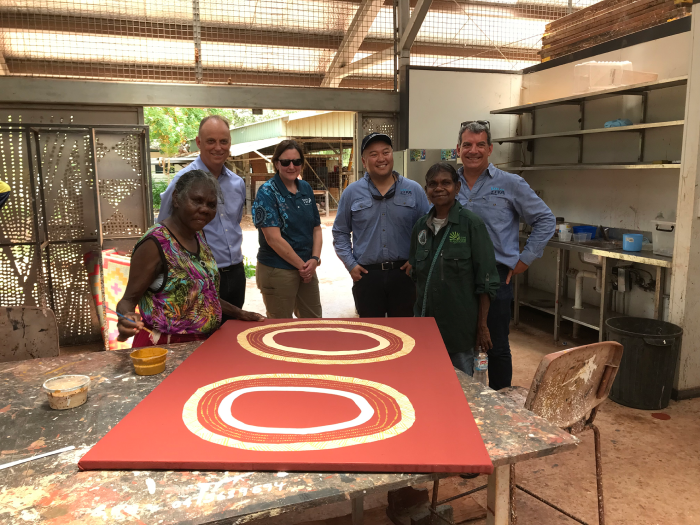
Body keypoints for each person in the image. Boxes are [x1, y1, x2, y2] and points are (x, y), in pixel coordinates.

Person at [455, 120, 555, 390]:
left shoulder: (511, 184)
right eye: (467, 145)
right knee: (459, 342)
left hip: (497, 276)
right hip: (456, 276)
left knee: (496, 344)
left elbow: (545, 219)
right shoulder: (450, 184)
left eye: (479, 145)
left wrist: (524, 260)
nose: (473, 150)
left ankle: (501, 408)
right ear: (458, 149)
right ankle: (462, 402)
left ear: (490, 149)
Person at [117, 170, 264, 347]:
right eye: (197, 200)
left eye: (211, 204)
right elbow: (127, 300)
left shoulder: (198, 235)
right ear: (177, 198)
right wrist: (127, 318)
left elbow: (201, 294)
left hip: (201, 345)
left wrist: (239, 313)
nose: (204, 209)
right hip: (165, 347)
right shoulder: (155, 243)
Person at [409, 162, 500, 374]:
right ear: (426, 190)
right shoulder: (420, 228)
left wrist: (482, 326)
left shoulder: (472, 225)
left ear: (457, 188)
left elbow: (485, 281)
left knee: (462, 390)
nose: (439, 188)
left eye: (446, 183)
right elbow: (417, 277)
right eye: (433, 184)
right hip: (426, 329)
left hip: (460, 331)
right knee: (428, 382)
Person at [333, 133, 430, 317]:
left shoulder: (414, 190)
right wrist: (351, 264)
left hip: (405, 274)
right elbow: (340, 233)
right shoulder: (351, 193)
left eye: (386, 152)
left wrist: (417, 258)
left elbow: (427, 229)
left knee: (405, 333)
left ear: (392, 155)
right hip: (367, 276)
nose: (381, 158)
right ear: (364, 161)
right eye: (374, 154)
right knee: (372, 334)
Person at [158, 115, 247, 317]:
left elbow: (234, 223)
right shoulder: (183, 181)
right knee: (204, 338)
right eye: (211, 141)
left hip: (235, 273)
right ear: (199, 142)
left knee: (231, 336)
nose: (218, 147)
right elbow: (163, 230)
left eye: (223, 141)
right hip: (200, 276)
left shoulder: (237, 183)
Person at [251, 140, 322, 319]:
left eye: (296, 162)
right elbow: (273, 239)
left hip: (307, 267)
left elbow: (316, 228)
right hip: (278, 268)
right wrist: (302, 267)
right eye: (285, 162)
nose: (291, 166)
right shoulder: (267, 192)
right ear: (276, 163)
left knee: (314, 323)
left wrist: (314, 259)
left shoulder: (305, 188)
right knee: (280, 327)